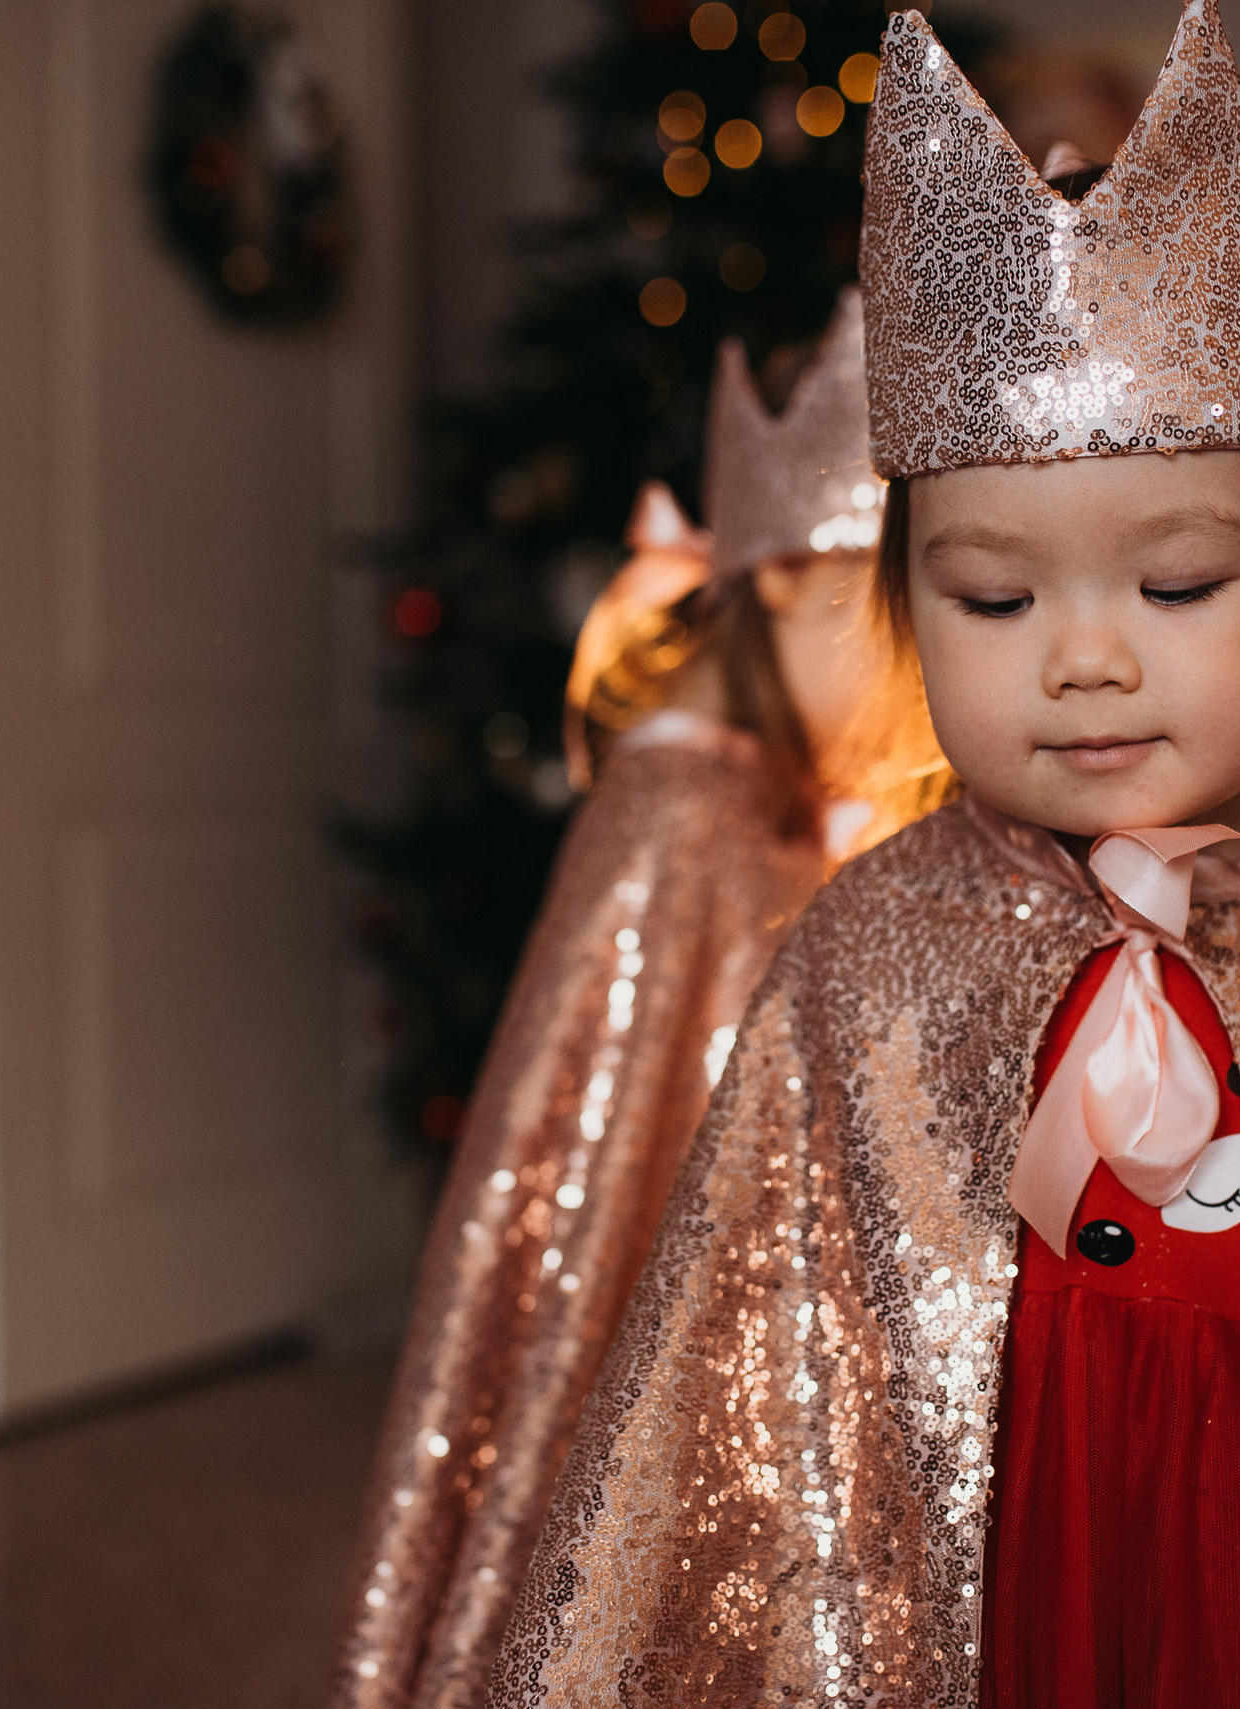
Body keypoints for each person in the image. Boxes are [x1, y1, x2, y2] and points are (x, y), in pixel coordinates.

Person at [486, 6, 1240, 1708]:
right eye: (994, 598)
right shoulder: (858, 967)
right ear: (907, 606)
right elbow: (756, 1483)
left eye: (1177, 584)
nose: (1086, 657)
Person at [333, 292, 933, 1709]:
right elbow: (648, 1189)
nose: (923, 698)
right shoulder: (683, 821)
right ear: (784, 578)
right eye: (897, 625)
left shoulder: (749, 804)